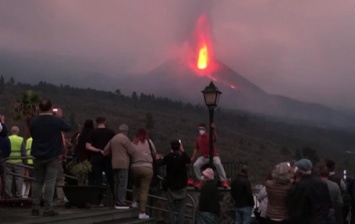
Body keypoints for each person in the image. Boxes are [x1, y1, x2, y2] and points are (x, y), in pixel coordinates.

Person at [30, 99, 71, 216]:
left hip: (38, 155)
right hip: (52, 155)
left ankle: (35, 207)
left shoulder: (33, 121)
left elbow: (33, 134)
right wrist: (60, 117)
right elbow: (68, 127)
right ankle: (48, 208)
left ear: (39, 108)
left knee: (38, 181)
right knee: (50, 182)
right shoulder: (56, 120)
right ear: (50, 108)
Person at [287, 159, 332, 224]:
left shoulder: (299, 186)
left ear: (299, 170)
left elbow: (298, 209)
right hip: (321, 220)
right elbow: (328, 203)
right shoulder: (322, 183)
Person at [157, 139, 191, 224]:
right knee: (181, 210)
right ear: (179, 147)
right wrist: (183, 151)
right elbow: (189, 160)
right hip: (182, 186)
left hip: (171, 187)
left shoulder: (168, 157)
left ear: (171, 147)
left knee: (171, 209)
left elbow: (159, 163)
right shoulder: (182, 158)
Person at [103, 123, 135, 209]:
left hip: (114, 164)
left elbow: (105, 150)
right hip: (123, 164)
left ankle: (116, 200)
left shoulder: (113, 139)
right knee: (122, 183)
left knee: (116, 182)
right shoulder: (125, 139)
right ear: (126, 132)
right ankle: (121, 202)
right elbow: (132, 151)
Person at [190, 123, 229, 189]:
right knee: (195, 165)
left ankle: (224, 181)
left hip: (213, 156)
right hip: (203, 157)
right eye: (199, 129)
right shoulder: (198, 139)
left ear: (205, 130)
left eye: (202, 129)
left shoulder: (209, 136)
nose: (201, 130)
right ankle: (200, 180)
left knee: (218, 164)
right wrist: (192, 158)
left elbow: (215, 139)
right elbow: (196, 148)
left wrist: (213, 130)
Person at [85, 117, 115, 196]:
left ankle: (98, 199)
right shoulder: (111, 132)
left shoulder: (92, 132)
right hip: (108, 157)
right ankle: (115, 198)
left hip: (96, 157)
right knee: (111, 178)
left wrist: (98, 150)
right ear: (105, 122)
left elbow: (88, 146)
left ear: (96, 122)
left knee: (98, 179)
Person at [130, 128, 156, 220]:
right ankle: (142, 212)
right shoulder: (149, 142)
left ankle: (133, 202)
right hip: (147, 168)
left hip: (134, 168)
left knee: (136, 185)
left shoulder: (132, 143)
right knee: (144, 190)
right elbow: (154, 153)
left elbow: (130, 154)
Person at [5, 126, 25, 198]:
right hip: (19, 161)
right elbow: (23, 151)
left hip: (9, 161)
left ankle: (8, 194)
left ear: (11, 131)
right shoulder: (21, 139)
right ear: (18, 132)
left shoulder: (7, 139)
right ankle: (19, 194)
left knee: (8, 178)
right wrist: (24, 160)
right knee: (19, 178)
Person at [0, 123, 11, 199]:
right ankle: (2, 195)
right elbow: (8, 150)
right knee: (3, 177)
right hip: (3, 159)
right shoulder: (6, 139)